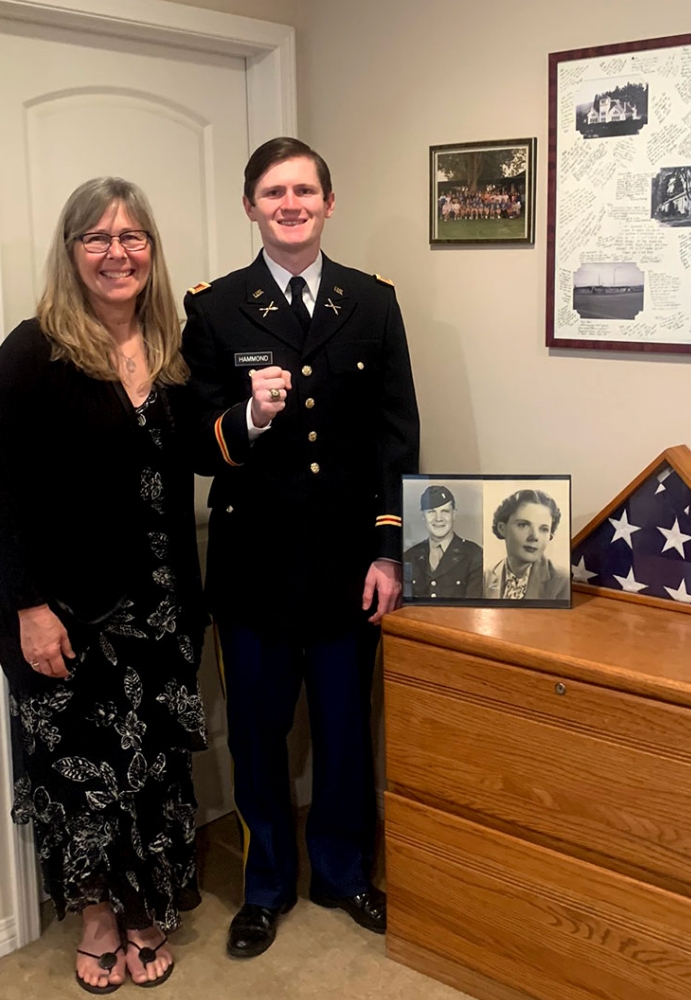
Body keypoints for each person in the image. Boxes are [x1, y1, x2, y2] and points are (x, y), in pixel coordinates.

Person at [180, 137, 419, 958]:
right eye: (274, 192)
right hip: (253, 571)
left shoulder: (373, 300)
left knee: (348, 732)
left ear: (327, 203)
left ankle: (346, 872)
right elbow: (196, 445)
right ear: (249, 205)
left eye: (305, 191)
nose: (291, 204)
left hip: (352, 569)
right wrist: (249, 420)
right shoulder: (214, 307)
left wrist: (390, 552)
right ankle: (267, 884)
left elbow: (397, 441)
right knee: (255, 737)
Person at [0, 178, 207, 994]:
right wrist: (31, 605)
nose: (118, 253)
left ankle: (146, 907)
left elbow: (201, 458)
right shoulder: (33, 351)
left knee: (149, 772)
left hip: (161, 607)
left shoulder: (174, 347)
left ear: (153, 249)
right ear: (71, 253)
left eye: (132, 236)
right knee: (83, 775)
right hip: (66, 613)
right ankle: (102, 918)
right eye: (97, 239)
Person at [483, 489, 571, 600]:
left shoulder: (562, 581)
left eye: (544, 529)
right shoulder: (484, 577)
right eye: (523, 525)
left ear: (550, 536)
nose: (534, 537)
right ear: (502, 528)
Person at [403, 485, 483, 599]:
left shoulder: (475, 555)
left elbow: (473, 607)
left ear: (454, 514)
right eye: (431, 512)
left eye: (445, 511)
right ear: (422, 516)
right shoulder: (409, 556)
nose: (438, 518)